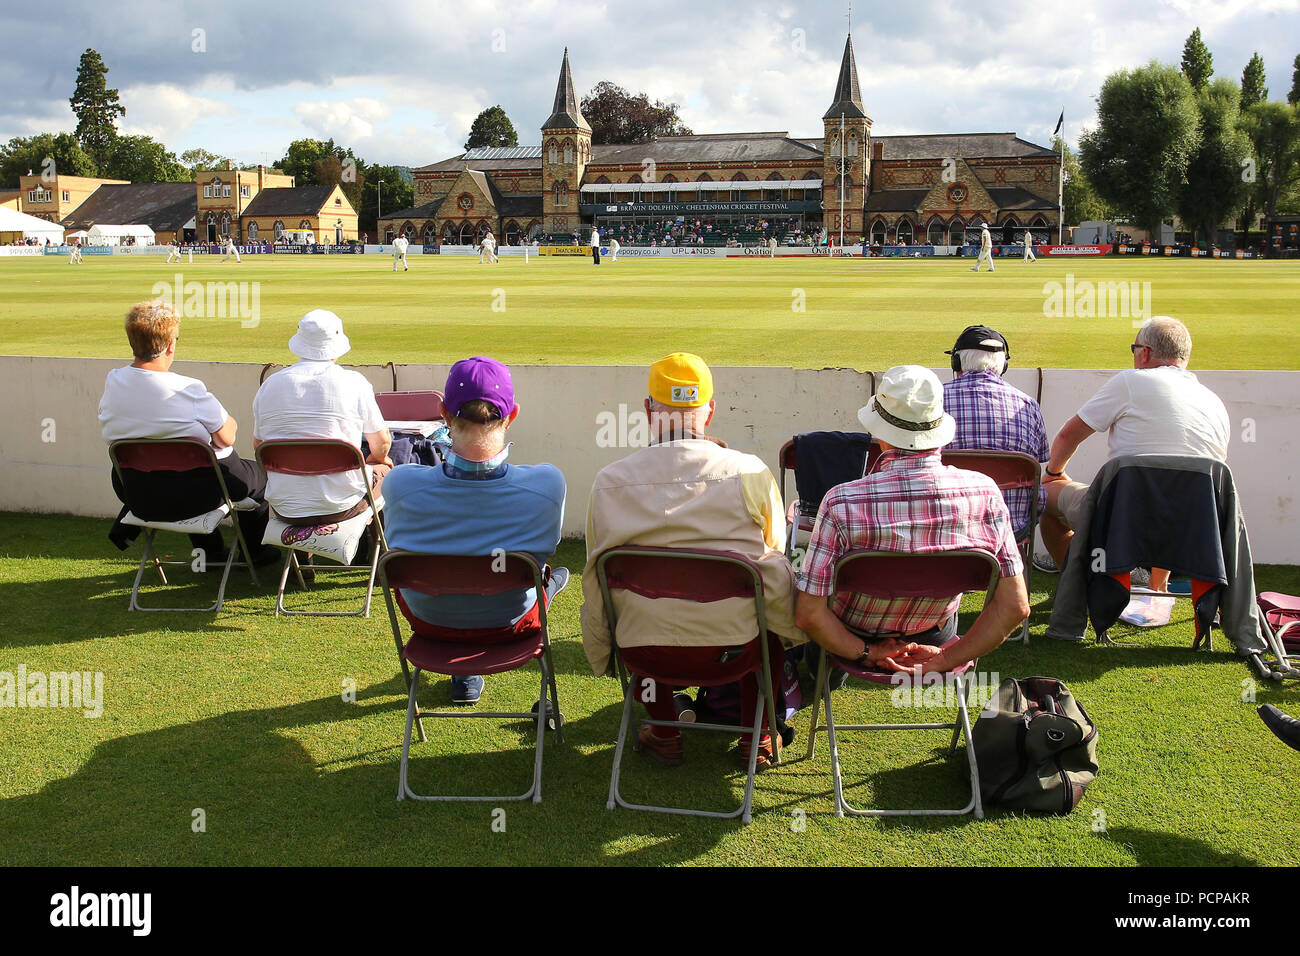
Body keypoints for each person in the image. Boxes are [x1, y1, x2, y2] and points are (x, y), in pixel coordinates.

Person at [580, 353, 803, 769]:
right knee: (768, 613)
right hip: (736, 647)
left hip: (643, 649)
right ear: (711, 411)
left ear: (649, 411)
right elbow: (775, 551)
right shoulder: (750, 471)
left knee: (638, 609)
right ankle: (756, 735)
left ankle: (665, 731)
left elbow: (599, 566)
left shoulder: (609, 481)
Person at [795, 365, 1029, 677]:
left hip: (850, 634)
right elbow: (1015, 606)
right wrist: (948, 657)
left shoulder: (841, 502)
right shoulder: (986, 493)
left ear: (880, 434)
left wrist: (867, 652)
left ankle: (819, 679)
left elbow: (809, 615)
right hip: (935, 633)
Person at [383, 357, 566, 706]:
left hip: (430, 622)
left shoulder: (400, 484)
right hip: (509, 623)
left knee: (468, 574)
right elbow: (547, 545)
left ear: (444, 413)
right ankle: (550, 584)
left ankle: (465, 672)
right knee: (536, 574)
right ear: (511, 415)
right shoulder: (547, 483)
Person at [1038, 317, 1230, 627]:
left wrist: (1053, 472)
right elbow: (1192, 484)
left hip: (1122, 522)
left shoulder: (1130, 382)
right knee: (1174, 494)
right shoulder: (1214, 402)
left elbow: (1067, 436)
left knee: (1045, 497)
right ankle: (1157, 587)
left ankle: (1079, 589)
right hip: (1192, 531)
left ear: (1145, 352)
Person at [99, 300, 273, 565]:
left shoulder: (113, 382)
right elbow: (227, 436)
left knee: (186, 470)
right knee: (258, 478)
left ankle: (210, 556)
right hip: (196, 495)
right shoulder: (187, 388)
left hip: (141, 495)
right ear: (170, 344)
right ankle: (257, 555)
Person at [252, 311, 393, 565]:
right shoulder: (354, 382)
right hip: (342, 506)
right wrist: (376, 462)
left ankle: (302, 559)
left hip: (286, 508)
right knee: (389, 470)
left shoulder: (270, 385)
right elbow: (382, 444)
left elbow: (260, 448)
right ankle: (379, 558)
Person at [941, 325, 1049, 537]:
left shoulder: (933, 401)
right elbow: (1038, 467)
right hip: (1011, 529)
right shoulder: (1028, 405)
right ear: (1003, 365)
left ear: (957, 362)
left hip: (946, 526)